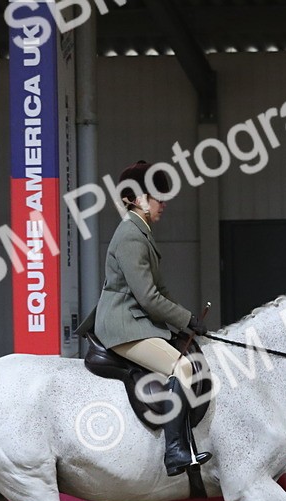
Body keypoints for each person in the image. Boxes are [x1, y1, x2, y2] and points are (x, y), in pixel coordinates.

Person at [76, 161, 211, 476]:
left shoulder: (141, 232)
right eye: (158, 197)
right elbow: (148, 297)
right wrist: (186, 318)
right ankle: (175, 452)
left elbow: (160, 291)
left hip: (136, 320)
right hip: (124, 325)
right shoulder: (131, 236)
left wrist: (187, 320)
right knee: (183, 368)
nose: (164, 203)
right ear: (138, 199)